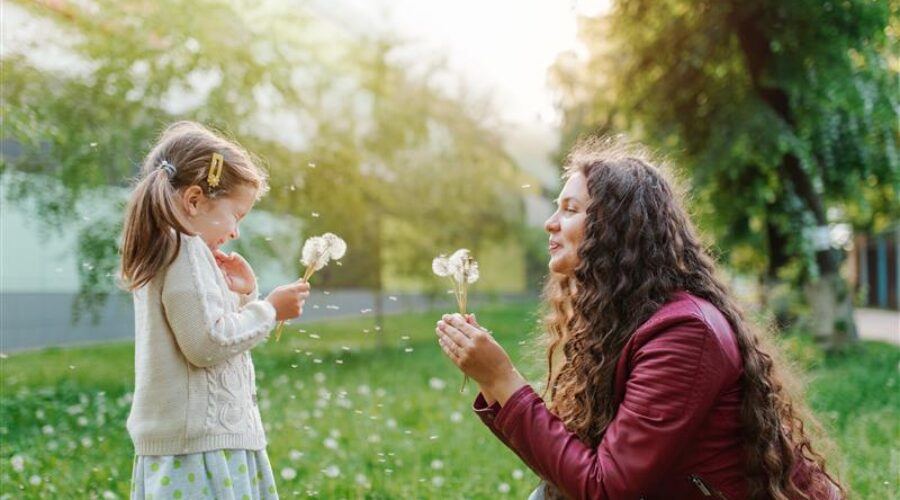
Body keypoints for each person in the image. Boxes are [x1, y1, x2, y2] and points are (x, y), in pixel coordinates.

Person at [435, 138, 843, 499]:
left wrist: (501, 379)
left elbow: (604, 487)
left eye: (570, 209)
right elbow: (568, 463)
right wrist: (496, 386)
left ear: (614, 228)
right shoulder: (622, 321)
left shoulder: (685, 332)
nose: (550, 222)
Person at [120, 121, 309, 499]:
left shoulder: (170, 249)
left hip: (191, 445)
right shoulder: (184, 249)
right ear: (193, 201)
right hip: (202, 450)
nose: (236, 231)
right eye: (236, 215)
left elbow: (202, 329)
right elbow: (207, 343)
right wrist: (269, 309)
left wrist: (240, 295)